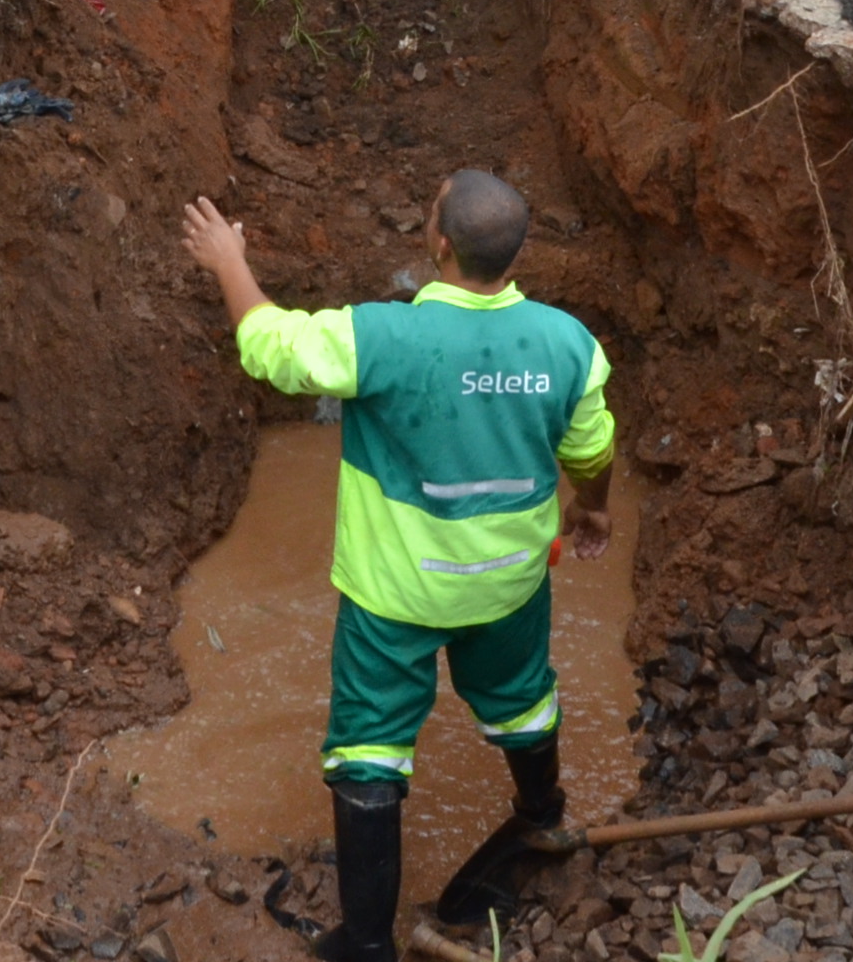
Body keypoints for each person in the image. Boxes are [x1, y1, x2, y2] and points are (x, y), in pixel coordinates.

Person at [180, 173, 616, 962]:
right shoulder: (568, 346)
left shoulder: (383, 337)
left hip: (395, 595)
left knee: (369, 747)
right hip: (511, 581)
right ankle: (541, 815)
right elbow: (591, 450)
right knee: (521, 698)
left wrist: (227, 261)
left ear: (438, 242)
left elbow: (272, 347)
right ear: (517, 254)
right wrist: (595, 508)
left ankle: (369, 940)